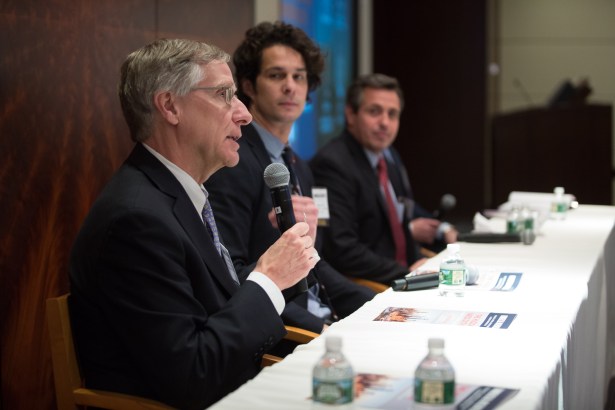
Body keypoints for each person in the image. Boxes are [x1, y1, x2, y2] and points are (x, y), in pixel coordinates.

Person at [68, 38, 319, 409]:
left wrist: (281, 271)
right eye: (223, 95)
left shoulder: (180, 192)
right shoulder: (135, 220)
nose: (244, 114)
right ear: (170, 106)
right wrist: (267, 279)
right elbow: (192, 373)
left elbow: (216, 301)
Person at [205, 21, 374, 339]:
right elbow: (234, 274)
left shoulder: (296, 164)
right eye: (276, 75)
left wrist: (379, 305)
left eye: (299, 77)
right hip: (283, 331)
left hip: (323, 319)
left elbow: (313, 264)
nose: (290, 87)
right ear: (249, 86)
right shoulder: (232, 161)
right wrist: (320, 330)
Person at [310, 73, 458, 284]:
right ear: (351, 114)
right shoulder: (332, 164)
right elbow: (342, 250)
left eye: (392, 114)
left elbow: (403, 218)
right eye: (374, 111)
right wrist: (406, 273)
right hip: (373, 282)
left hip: (403, 272)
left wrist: (421, 264)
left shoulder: (389, 157)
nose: (385, 123)